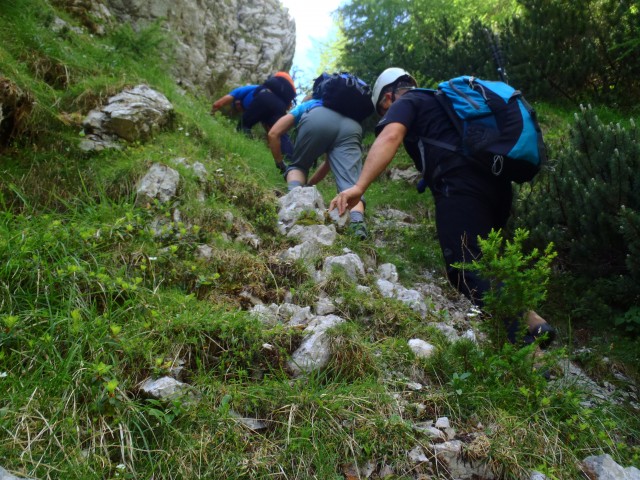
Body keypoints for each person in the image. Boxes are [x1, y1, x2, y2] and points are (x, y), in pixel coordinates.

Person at [329, 67, 556, 346]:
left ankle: (527, 355)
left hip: (460, 188)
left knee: (465, 267)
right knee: (487, 264)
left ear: (388, 97)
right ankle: (536, 324)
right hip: (497, 188)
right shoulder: (439, 103)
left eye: (382, 111)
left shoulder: (408, 102)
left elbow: (390, 137)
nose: (385, 116)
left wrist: (359, 186)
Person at [268, 96, 368, 239]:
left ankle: (294, 206)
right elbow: (329, 163)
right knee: (351, 186)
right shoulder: (347, 110)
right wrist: (309, 185)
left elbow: (273, 133)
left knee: (298, 166)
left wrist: (280, 164)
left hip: (317, 118)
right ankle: (358, 224)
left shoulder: (309, 104)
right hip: (352, 126)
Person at [211, 72, 297, 173]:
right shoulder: (264, 95)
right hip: (280, 106)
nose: (239, 110)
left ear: (237, 101)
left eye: (236, 107)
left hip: (265, 97)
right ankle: (292, 162)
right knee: (279, 134)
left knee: (243, 126)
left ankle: (245, 146)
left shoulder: (242, 91)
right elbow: (269, 130)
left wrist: (211, 113)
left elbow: (219, 103)